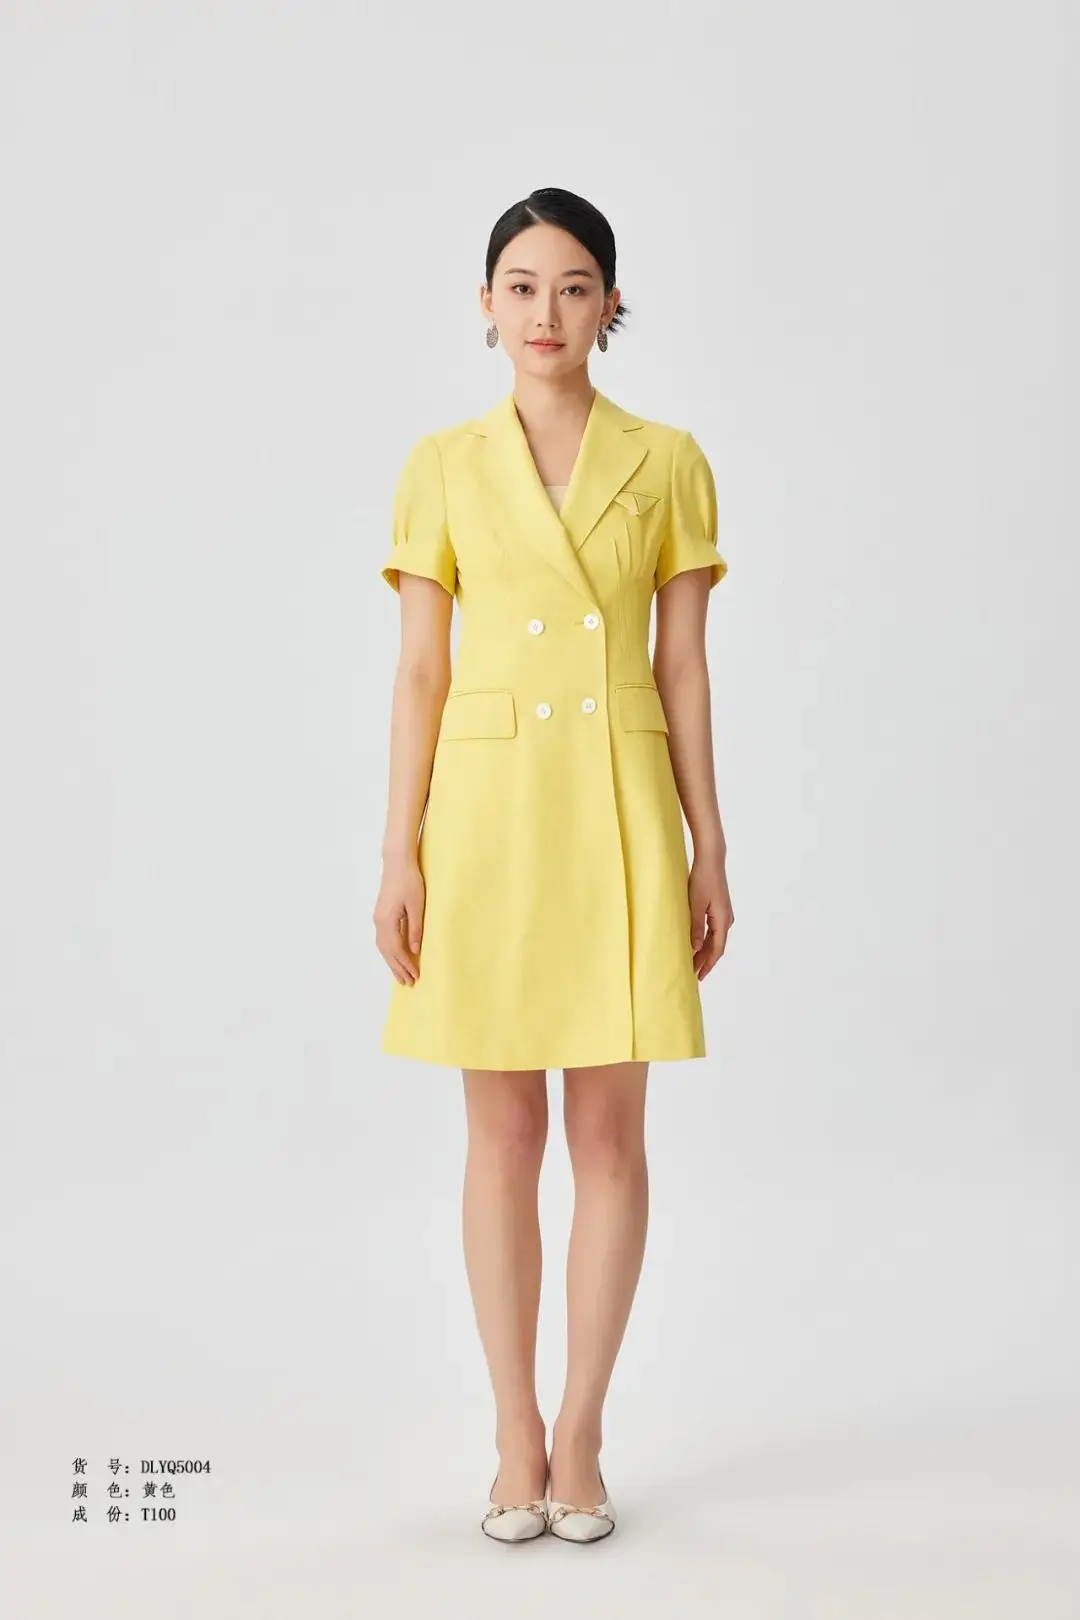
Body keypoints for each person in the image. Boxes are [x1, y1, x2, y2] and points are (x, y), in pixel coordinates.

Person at [373, 186, 734, 1544]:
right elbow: (420, 671)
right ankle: (512, 1429)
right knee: (502, 1135)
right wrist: (398, 850)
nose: (546, 312)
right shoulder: (442, 463)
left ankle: (581, 1429)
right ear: (485, 306)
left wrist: (709, 842)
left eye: (574, 287)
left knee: (609, 1137)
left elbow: (682, 667)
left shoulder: (670, 460)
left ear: (610, 305)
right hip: (488, 818)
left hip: (619, 807)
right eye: (521, 287)